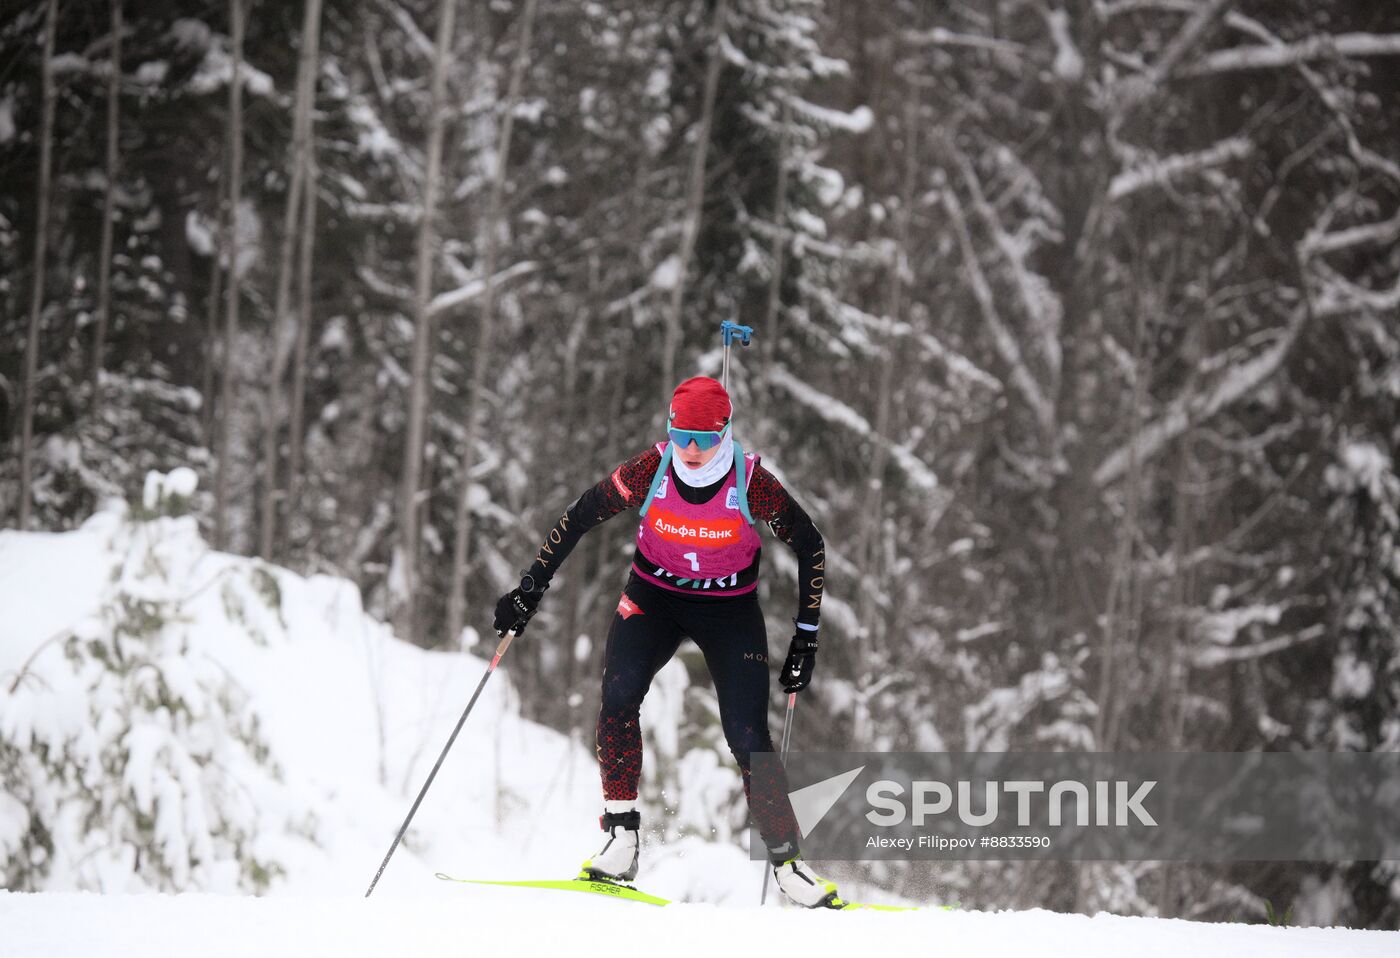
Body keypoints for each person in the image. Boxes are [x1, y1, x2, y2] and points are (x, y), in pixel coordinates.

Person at [493, 375, 839, 907]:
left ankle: (788, 864)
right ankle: (622, 837)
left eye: (705, 438)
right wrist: (530, 589)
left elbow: (810, 544)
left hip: (729, 610)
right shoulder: (651, 469)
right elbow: (581, 514)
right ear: (670, 429)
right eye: (682, 437)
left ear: (725, 432)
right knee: (618, 694)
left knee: (746, 734)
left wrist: (806, 638)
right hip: (654, 598)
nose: (693, 450)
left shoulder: (750, 482)